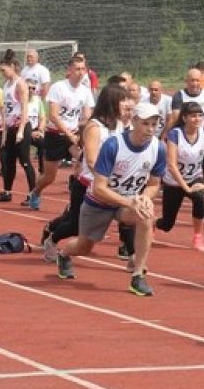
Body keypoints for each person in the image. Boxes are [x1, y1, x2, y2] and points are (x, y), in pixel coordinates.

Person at [55, 101, 165, 296]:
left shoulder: (158, 148)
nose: (150, 129)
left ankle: (138, 275)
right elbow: (99, 188)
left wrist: (145, 198)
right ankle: (64, 255)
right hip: (100, 202)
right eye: (146, 124)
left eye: (154, 124)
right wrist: (129, 201)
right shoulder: (113, 145)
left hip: (127, 203)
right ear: (134, 121)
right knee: (84, 247)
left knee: (147, 215)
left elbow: (154, 184)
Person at [42, 82, 130, 262]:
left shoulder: (120, 125)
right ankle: (52, 238)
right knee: (75, 226)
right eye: (123, 100)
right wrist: (103, 179)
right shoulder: (94, 126)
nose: (127, 104)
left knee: (130, 218)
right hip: (87, 184)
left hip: (111, 185)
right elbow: (91, 159)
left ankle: (134, 257)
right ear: (113, 102)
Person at [31, 55, 94, 208]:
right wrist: (68, 133)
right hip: (55, 135)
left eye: (83, 69)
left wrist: (82, 130)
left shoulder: (85, 91)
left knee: (86, 162)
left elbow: (87, 115)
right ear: (69, 71)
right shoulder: (59, 87)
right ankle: (36, 192)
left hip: (74, 136)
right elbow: (53, 114)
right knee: (49, 177)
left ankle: (78, 196)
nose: (80, 72)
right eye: (77, 69)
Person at [157, 100, 204, 252]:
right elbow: (171, 165)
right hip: (174, 181)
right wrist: (185, 187)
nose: (197, 119)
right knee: (167, 224)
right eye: (193, 116)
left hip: (195, 178)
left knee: (200, 198)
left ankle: (198, 236)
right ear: (184, 118)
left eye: (200, 115)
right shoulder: (175, 134)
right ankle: (153, 223)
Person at [0, 53, 38, 207]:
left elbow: (25, 107)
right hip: (10, 127)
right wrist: (5, 133)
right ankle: (7, 191)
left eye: (3, 70)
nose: (2, 74)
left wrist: (20, 130)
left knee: (25, 161)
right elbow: (6, 111)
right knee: (8, 160)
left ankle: (33, 195)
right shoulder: (6, 85)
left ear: (12, 67)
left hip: (22, 126)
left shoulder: (20, 84)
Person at [167, 67, 204, 135]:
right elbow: (175, 118)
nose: (195, 84)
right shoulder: (179, 96)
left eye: (197, 80)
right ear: (186, 81)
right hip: (185, 133)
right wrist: (165, 134)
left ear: (201, 81)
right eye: (192, 80)